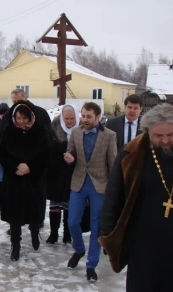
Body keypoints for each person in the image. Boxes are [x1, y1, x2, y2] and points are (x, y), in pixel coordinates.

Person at [99, 103, 173, 292]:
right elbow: (114, 196)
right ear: (147, 132)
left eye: (170, 135)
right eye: (158, 135)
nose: (164, 140)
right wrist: (107, 233)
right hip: (145, 242)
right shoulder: (131, 154)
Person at [64, 102, 117, 282]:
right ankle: (79, 250)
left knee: (96, 227)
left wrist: (112, 190)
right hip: (78, 183)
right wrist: (69, 157)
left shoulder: (109, 136)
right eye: (83, 116)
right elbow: (70, 151)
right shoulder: (76, 132)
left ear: (98, 117)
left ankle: (91, 265)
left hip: (100, 185)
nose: (85, 120)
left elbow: (113, 163)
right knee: (72, 222)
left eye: (88, 117)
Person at [0, 101, 50, 261]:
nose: (21, 121)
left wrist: (30, 167)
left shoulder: (40, 131)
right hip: (14, 180)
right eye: (18, 118)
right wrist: (15, 166)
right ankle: (16, 244)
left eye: (24, 118)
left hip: (34, 180)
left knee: (34, 212)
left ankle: (35, 232)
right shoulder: (8, 131)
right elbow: (1, 153)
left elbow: (46, 154)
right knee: (14, 215)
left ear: (31, 117)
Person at [46, 104, 80, 244]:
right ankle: (53, 233)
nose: (69, 121)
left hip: (73, 171)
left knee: (69, 204)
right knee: (55, 204)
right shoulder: (53, 129)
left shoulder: (80, 130)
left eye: (72, 118)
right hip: (55, 171)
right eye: (66, 118)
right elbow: (47, 148)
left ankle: (67, 233)